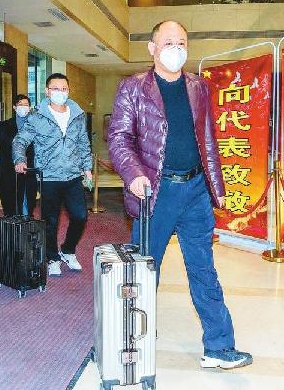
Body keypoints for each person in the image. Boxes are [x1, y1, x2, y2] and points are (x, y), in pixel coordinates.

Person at [108, 20, 253, 370]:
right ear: (152, 48)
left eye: (182, 43)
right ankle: (132, 340)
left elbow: (208, 138)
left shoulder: (198, 87)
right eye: (169, 42)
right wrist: (134, 173)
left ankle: (219, 347)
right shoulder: (133, 88)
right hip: (155, 193)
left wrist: (216, 186)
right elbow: (119, 138)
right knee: (144, 271)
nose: (176, 49)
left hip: (195, 191)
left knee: (204, 269)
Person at [12, 73, 93, 277]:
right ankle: (52, 258)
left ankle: (68, 250)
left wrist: (87, 167)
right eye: (55, 89)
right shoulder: (37, 116)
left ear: (69, 91)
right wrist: (20, 159)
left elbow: (83, 143)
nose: (60, 92)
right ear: (47, 91)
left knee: (80, 216)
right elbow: (20, 141)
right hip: (49, 177)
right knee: (50, 221)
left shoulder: (77, 114)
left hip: (73, 175)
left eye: (64, 89)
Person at [0, 94, 37, 216]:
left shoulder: (35, 124)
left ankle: (27, 218)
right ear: (14, 107)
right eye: (20, 105)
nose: (23, 107)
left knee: (28, 195)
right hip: (10, 167)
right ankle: (11, 219)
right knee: (10, 196)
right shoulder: (5, 125)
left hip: (29, 167)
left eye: (26, 105)